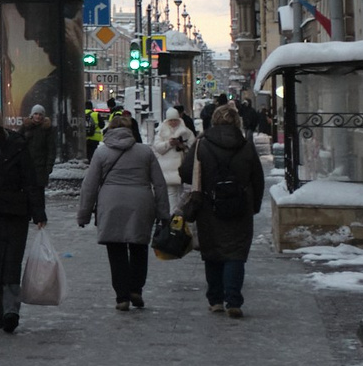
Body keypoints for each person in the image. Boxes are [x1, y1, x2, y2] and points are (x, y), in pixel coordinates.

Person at [0, 102, 48, 333]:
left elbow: (30, 180)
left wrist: (38, 212)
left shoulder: (17, 146)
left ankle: (11, 311)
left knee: (11, 263)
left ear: (0, 125)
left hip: (14, 212)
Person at [182, 103, 268, 316]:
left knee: (212, 253)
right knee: (235, 254)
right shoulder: (246, 145)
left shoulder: (202, 144)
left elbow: (185, 173)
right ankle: (234, 301)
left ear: (213, 121)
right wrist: (253, 205)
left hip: (208, 207)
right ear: (237, 122)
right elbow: (258, 179)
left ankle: (216, 300)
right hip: (240, 207)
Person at [78, 109, 169, 310]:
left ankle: (122, 297)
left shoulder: (101, 153)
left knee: (116, 250)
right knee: (139, 247)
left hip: (111, 205)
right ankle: (136, 289)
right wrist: (163, 213)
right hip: (141, 204)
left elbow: (90, 185)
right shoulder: (145, 152)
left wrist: (83, 214)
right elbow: (159, 184)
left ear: (109, 130)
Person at [151, 107, 195, 210]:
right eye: (171, 120)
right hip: (167, 167)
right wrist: (169, 144)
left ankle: (177, 217)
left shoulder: (186, 132)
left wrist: (182, 146)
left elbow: (192, 147)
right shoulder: (161, 131)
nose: (173, 122)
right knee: (171, 193)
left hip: (180, 167)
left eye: (175, 120)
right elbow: (157, 147)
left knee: (181, 194)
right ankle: (173, 216)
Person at [20, 104, 58, 188]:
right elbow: (18, 144)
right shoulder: (25, 127)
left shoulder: (47, 129)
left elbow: (51, 149)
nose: (38, 116)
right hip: (26, 166)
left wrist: (49, 166)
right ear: (32, 115)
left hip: (41, 168)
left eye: (40, 114)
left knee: (38, 193)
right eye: (36, 114)